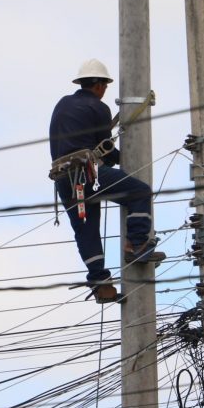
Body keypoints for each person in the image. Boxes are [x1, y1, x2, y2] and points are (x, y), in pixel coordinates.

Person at [49, 58, 165, 288]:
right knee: (139, 193)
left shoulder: (62, 104)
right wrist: (127, 160)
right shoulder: (99, 108)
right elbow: (105, 148)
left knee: (86, 228)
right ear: (100, 85)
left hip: (63, 178)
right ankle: (138, 245)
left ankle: (99, 281)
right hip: (88, 174)